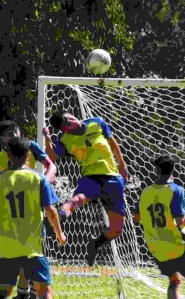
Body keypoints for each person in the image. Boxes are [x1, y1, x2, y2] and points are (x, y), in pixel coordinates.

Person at [0, 120, 57, 299]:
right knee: (44, 292)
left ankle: (16, 294)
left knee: (3, 292)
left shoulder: (0, 181)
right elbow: (50, 210)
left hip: (8, 246)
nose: (12, 135)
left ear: (8, 157)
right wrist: (59, 233)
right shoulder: (37, 179)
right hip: (32, 246)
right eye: (8, 133)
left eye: (15, 132)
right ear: (28, 156)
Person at [42, 110, 128, 266]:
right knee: (78, 199)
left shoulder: (97, 122)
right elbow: (53, 156)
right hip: (90, 177)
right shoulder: (65, 140)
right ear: (64, 129)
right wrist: (47, 139)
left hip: (113, 178)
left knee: (117, 229)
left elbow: (112, 143)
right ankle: (57, 216)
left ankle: (95, 244)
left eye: (71, 118)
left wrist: (122, 164)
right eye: (67, 123)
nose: (73, 121)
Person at [133, 155, 185, 299]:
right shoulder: (175, 190)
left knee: (175, 280)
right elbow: (180, 221)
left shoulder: (145, 192)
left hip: (156, 247)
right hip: (177, 245)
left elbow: (137, 218)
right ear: (173, 170)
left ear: (155, 171)